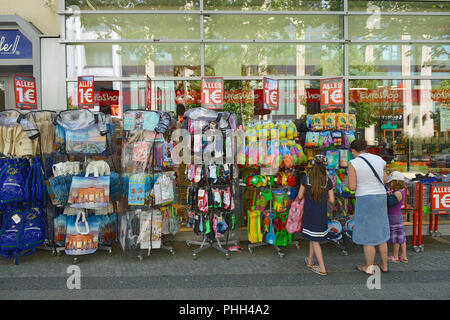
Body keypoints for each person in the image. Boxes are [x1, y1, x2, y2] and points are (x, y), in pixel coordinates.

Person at [348, 139, 390, 274]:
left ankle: (369, 267)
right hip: (381, 197)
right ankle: (384, 265)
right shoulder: (378, 159)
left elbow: (352, 187)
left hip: (365, 199)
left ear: (353, 150)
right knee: (380, 232)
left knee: (368, 235)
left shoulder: (353, 163)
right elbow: (384, 179)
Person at [297, 154, 335, 276]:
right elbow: (332, 200)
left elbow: (299, 196)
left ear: (312, 165)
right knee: (313, 237)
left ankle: (322, 267)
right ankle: (310, 260)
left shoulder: (306, 179)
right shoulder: (327, 180)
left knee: (314, 240)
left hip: (309, 214)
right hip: (321, 214)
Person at [386, 171, 408, 264]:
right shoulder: (402, 190)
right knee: (400, 237)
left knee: (395, 238)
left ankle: (395, 256)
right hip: (397, 216)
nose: (390, 183)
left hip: (393, 216)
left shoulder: (397, 193)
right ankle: (403, 256)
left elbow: (390, 204)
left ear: (397, 181)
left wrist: (387, 196)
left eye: (392, 182)